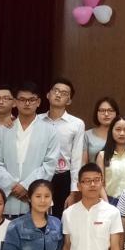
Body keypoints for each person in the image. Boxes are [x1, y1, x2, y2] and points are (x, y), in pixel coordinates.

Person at [0, 81, 59, 219]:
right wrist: (12, 186)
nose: (27, 103)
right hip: (8, 197)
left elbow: (50, 164)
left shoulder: (50, 131)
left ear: (38, 102)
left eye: (31, 100)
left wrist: (26, 186)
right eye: (22, 99)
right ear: (15, 102)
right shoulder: (2, 131)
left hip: (36, 196)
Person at [38, 77, 85, 217]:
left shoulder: (76, 124)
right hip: (38, 174)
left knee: (61, 219)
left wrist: (74, 190)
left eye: (64, 93)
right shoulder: (36, 120)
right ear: (48, 94)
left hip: (62, 176)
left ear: (69, 100)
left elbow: (76, 158)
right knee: (37, 217)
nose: (58, 95)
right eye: (55, 91)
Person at [97, 116, 125, 204]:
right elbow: (99, 183)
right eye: (118, 129)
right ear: (111, 131)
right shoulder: (102, 155)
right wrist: (107, 204)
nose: (122, 133)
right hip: (109, 201)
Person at [83, 96, 119, 165]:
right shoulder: (86, 135)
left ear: (116, 113)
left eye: (110, 110)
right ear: (96, 113)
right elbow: (83, 164)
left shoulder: (122, 134)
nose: (106, 114)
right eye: (102, 110)